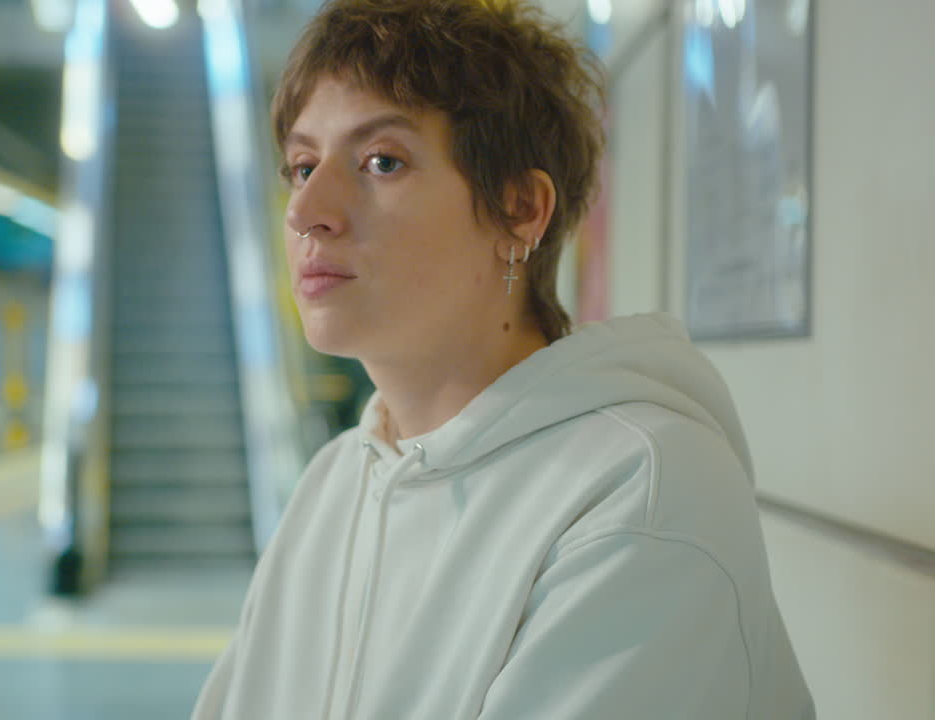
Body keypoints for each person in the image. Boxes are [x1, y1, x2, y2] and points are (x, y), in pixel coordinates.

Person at [193, 0, 815, 717]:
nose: (307, 211)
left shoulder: (640, 490)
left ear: (520, 208)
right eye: (302, 167)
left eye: (381, 161)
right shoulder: (335, 483)